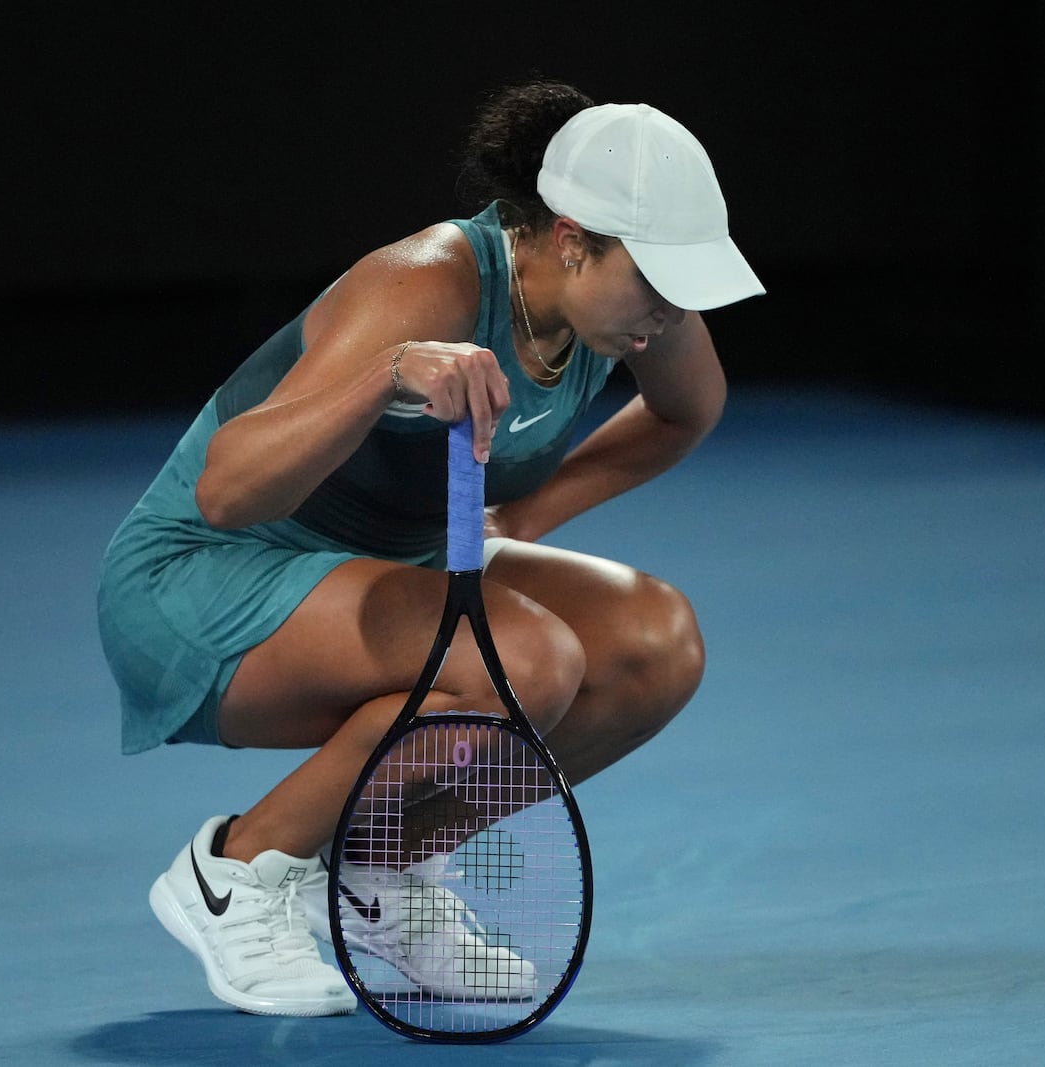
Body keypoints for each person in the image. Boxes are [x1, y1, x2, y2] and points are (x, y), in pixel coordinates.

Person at [96, 78, 764, 1017]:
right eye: (655, 278)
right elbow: (227, 488)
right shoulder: (427, 281)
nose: (670, 311)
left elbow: (688, 409)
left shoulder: (623, 310)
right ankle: (237, 869)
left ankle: (379, 876)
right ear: (572, 239)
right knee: (526, 658)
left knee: (653, 645)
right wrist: (387, 375)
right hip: (201, 580)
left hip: (382, 577)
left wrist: (524, 518)